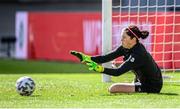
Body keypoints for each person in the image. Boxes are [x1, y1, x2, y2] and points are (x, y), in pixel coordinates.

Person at [70, 25, 163, 93]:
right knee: (122, 86)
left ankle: (137, 87)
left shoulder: (138, 54)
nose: (121, 40)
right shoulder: (125, 47)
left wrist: (100, 69)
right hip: (141, 80)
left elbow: (118, 72)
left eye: (124, 37)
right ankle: (134, 86)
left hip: (151, 86)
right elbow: (106, 57)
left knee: (112, 88)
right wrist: (86, 58)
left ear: (133, 39)